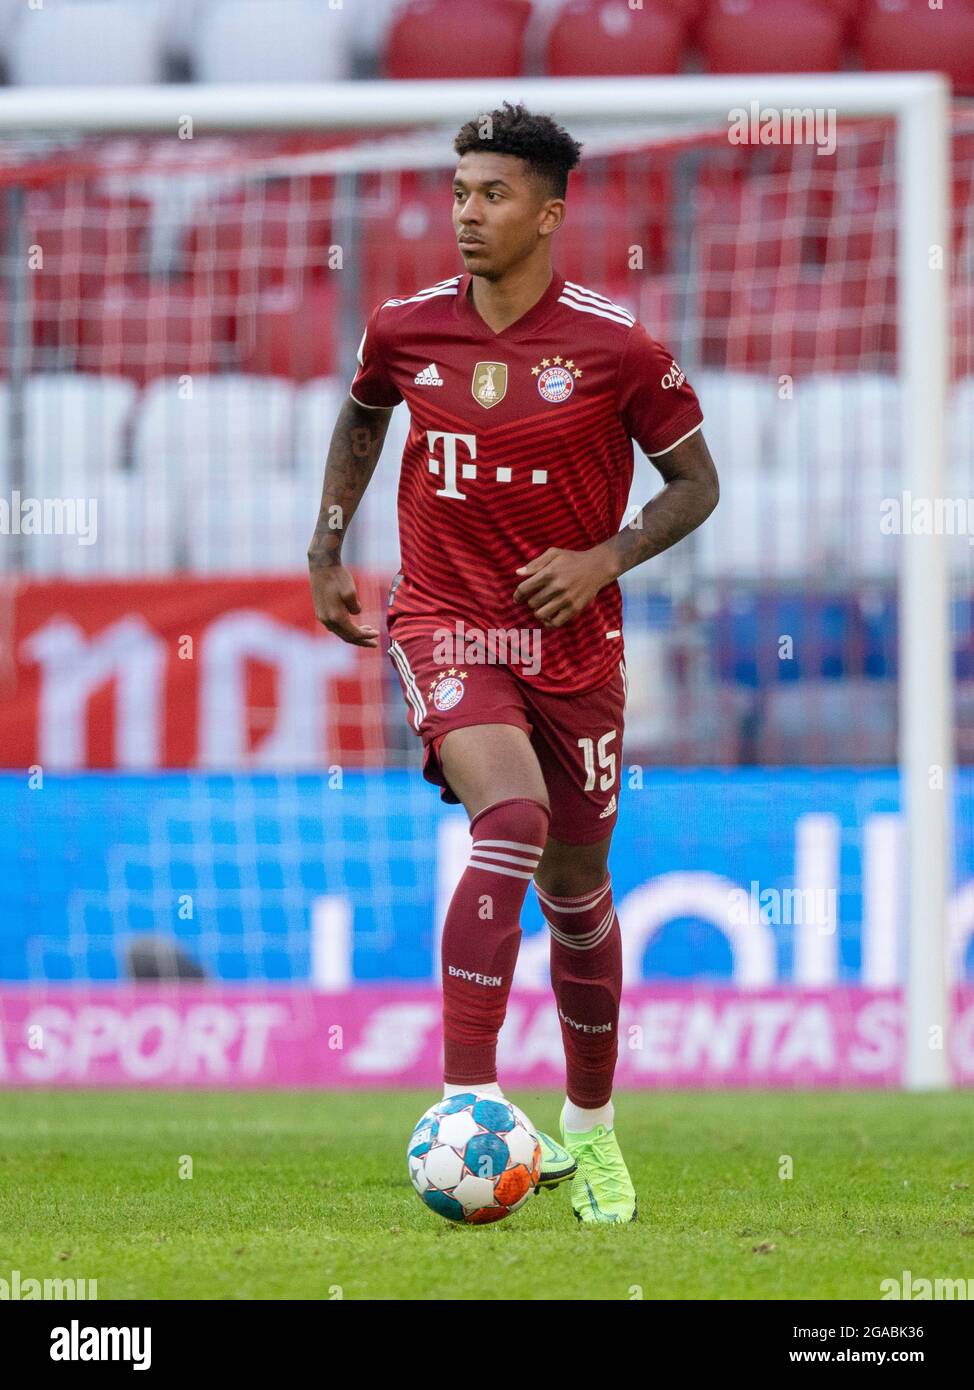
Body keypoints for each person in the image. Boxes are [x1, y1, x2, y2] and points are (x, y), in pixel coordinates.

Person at [309, 102, 719, 1223]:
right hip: (446, 621)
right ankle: (469, 1096)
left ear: (550, 210)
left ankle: (588, 1129)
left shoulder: (616, 347)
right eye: (457, 193)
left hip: (574, 644)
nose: (467, 215)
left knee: (577, 892)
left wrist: (602, 557)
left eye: (491, 195)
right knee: (511, 821)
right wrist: (326, 543)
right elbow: (361, 419)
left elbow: (695, 485)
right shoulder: (402, 328)